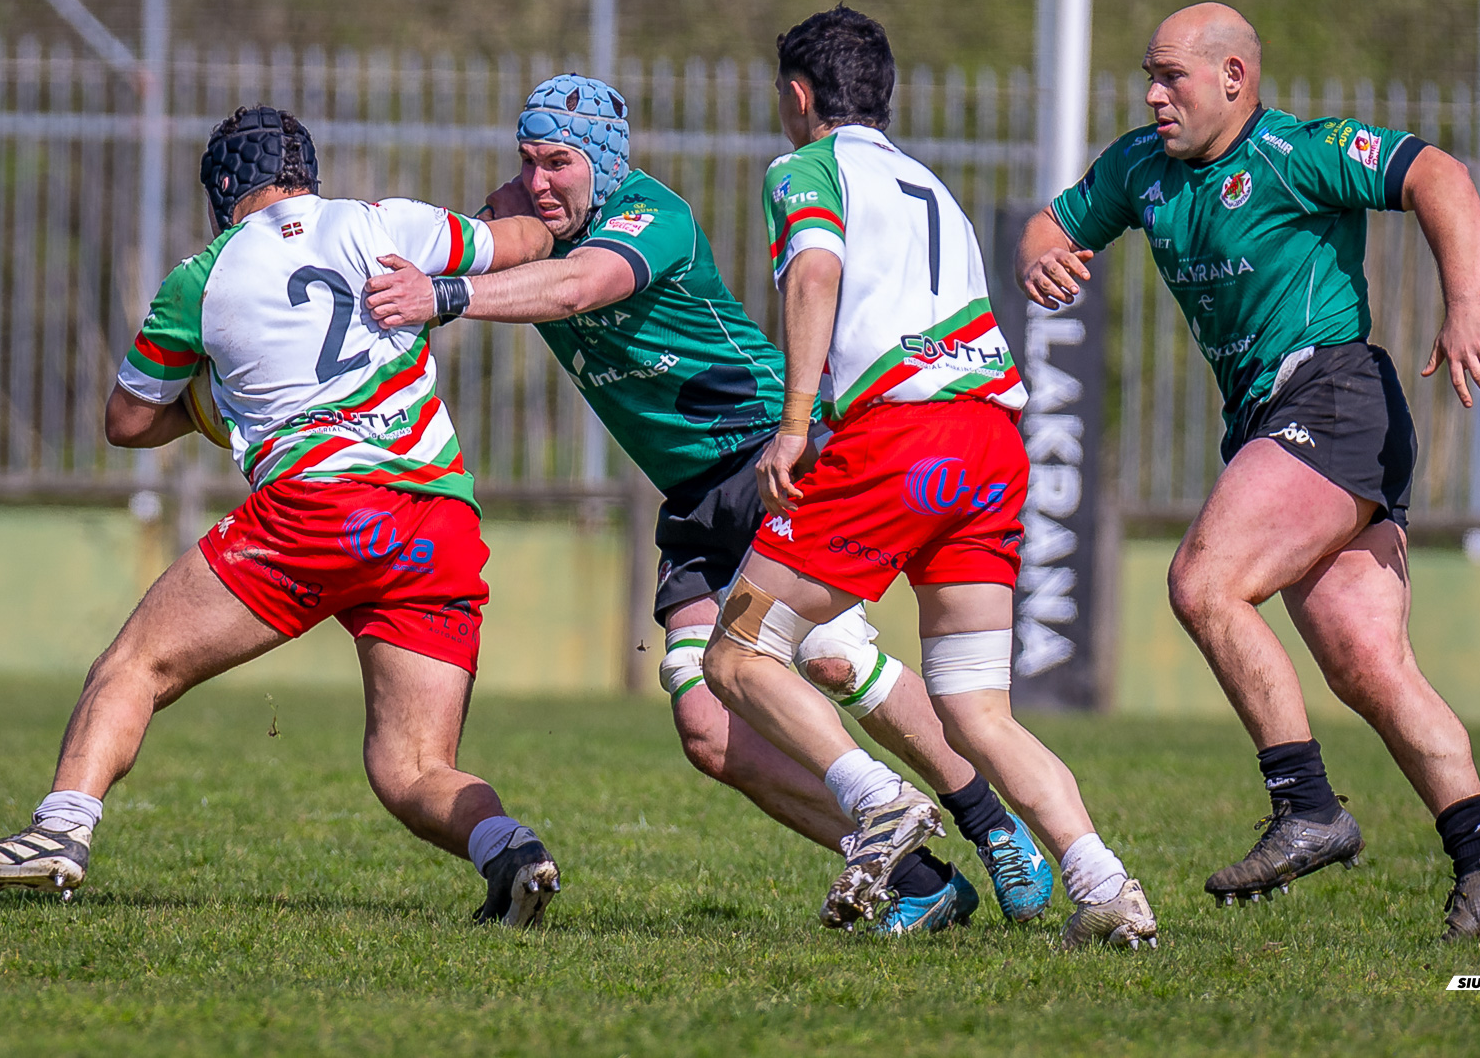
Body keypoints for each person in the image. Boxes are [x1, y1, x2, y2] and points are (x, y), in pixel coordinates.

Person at [363, 73, 1053, 934]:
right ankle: (917, 873)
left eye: (561, 163)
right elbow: (480, 238)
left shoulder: (653, 217)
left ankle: (994, 826)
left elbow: (579, 287)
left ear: (607, 165)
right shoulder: (529, 213)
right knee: (705, 724)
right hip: (694, 497)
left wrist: (446, 295)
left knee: (833, 656)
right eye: (529, 162)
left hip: (764, 456)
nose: (542, 182)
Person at [0, 106, 568, 928]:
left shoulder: (203, 275)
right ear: (308, 174)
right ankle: (514, 852)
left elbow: (124, 421)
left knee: (135, 665)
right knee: (409, 764)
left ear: (224, 188)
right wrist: (532, 194)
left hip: (319, 509)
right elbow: (521, 241)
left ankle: (59, 831)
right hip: (435, 522)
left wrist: (207, 401)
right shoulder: (386, 222)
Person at [1017, 2, 1480, 941]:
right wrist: (1044, 260)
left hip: (1335, 398)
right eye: (1149, 74)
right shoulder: (1140, 168)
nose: (1152, 94)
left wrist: (1465, 302)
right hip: (1279, 422)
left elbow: (1439, 174)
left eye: (1171, 76)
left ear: (1234, 78)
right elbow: (1049, 225)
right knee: (1368, 664)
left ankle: (1306, 804)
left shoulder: (1301, 151)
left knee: (1203, 581)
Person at [696, 6, 1157, 948]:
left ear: (798, 94)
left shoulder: (806, 170)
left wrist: (794, 427)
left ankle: (879, 803)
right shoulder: (928, 184)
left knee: (736, 654)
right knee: (976, 709)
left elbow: (814, 272)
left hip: (902, 440)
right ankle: (1108, 887)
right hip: (990, 444)